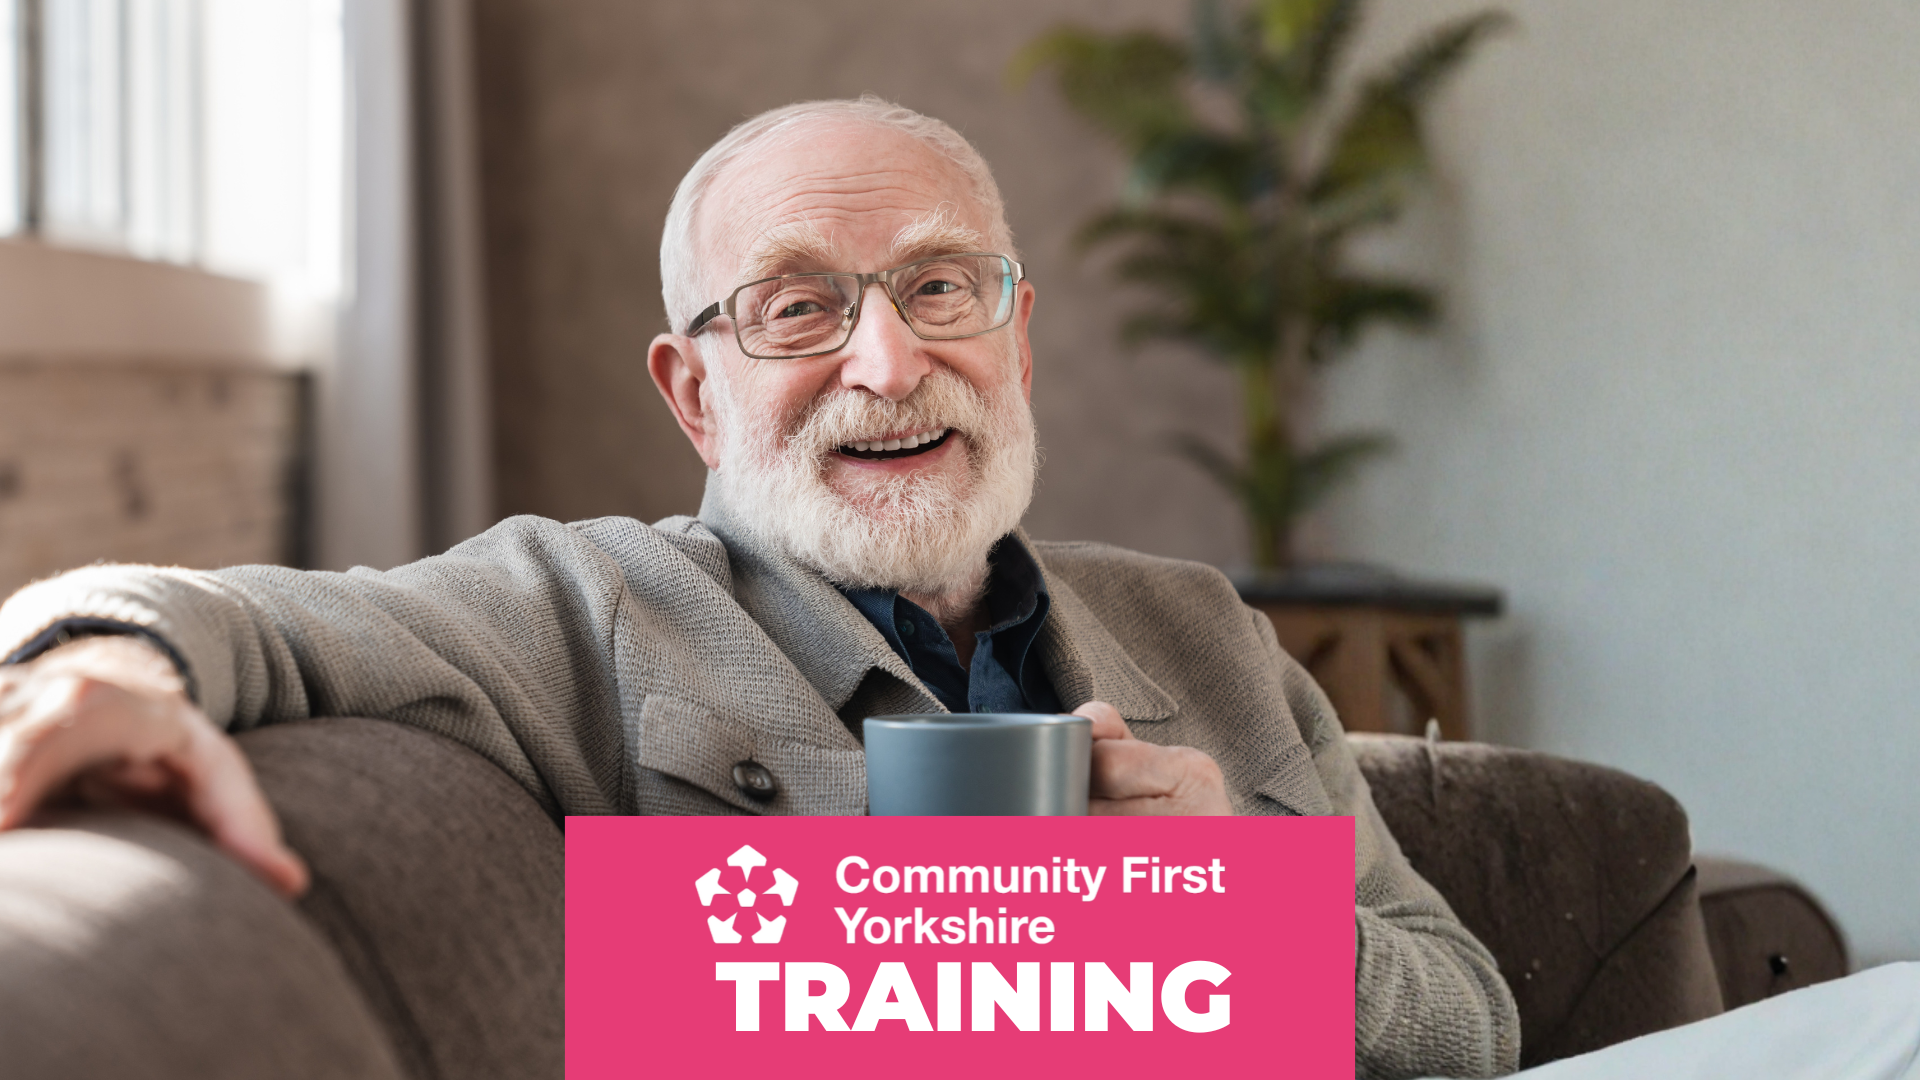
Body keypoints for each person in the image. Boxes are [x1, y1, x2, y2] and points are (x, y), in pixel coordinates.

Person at [0, 97, 1520, 1078]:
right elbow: (230, 613)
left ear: (1019, 339)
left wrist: (1238, 923)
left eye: (940, 288)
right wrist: (101, 669)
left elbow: (1471, 1016)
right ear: (694, 395)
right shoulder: (579, 603)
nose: (888, 361)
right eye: (799, 309)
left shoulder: (1207, 632)